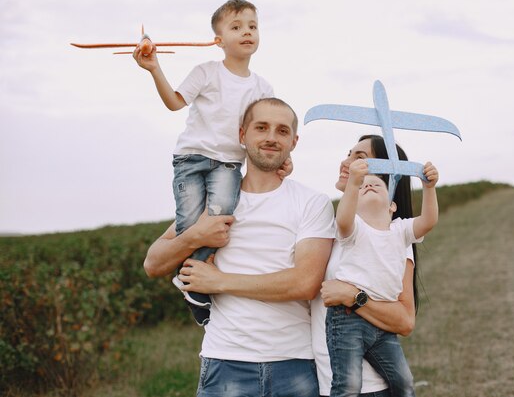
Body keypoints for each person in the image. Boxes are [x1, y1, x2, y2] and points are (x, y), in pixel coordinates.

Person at [143, 97, 335, 397]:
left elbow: (305, 283)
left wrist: (220, 281)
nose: (272, 137)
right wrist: (195, 237)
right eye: (262, 127)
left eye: (282, 131)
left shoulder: (312, 202)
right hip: (225, 362)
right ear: (242, 135)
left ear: (294, 142)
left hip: (293, 363)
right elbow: (152, 264)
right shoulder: (213, 201)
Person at [133, 0, 274, 325]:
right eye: (236, 27)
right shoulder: (206, 72)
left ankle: (190, 280)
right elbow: (174, 103)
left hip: (228, 164)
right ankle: (195, 281)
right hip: (191, 159)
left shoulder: (262, 87)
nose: (247, 32)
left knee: (220, 218)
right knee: (190, 224)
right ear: (218, 39)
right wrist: (155, 68)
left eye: (252, 26)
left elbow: (261, 133)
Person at [312, 135, 422, 397]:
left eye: (360, 158)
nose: (346, 162)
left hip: (369, 389)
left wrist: (354, 297)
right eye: (349, 153)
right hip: (323, 379)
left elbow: (405, 320)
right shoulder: (327, 223)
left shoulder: (391, 238)